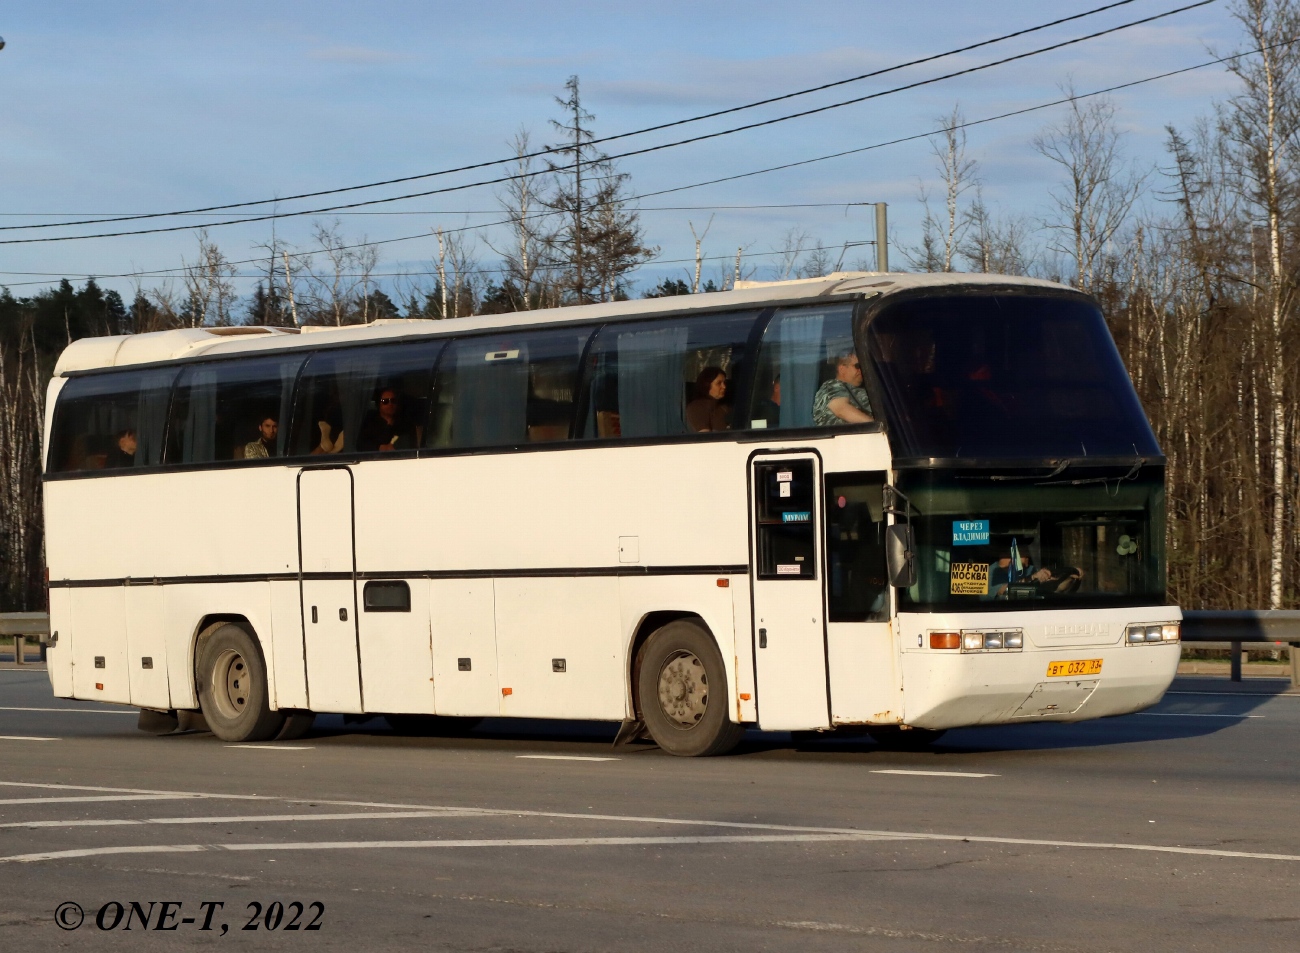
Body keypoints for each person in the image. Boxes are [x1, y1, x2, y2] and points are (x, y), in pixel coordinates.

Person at [812, 353, 874, 425]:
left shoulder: (867, 390)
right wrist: (877, 425)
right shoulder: (831, 386)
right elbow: (842, 410)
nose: (861, 370)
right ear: (842, 369)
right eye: (857, 366)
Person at [357, 387, 420, 451]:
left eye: (393, 401)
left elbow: (411, 447)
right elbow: (361, 445)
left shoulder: (405, 425)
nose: (390, 404)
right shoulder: (370, 423)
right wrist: (379, 447)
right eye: (385, 401)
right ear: (379, 404)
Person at [685, 367, 729, 433]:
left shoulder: (724, 406)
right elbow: (705, 436)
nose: (724, 386)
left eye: (724, 382)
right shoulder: (697, 408)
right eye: (719, 383)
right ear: (707, 385)